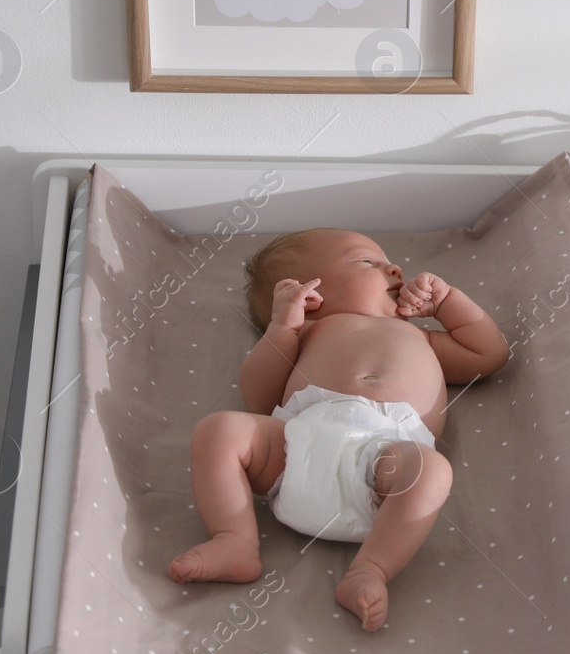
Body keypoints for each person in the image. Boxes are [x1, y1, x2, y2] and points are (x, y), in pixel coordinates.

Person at [167, 228, 509, 631]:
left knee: (431, 470)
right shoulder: (309, 331)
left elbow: (489, 355)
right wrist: (283, 327)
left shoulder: (422, 338)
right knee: (219, 430)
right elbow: (258, 398)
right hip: (296, 449)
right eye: (369, 262)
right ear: (312, 297)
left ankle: (370, 569)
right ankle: (234, 540)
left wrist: (449, 303)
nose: (395, 269)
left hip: (385, 458)